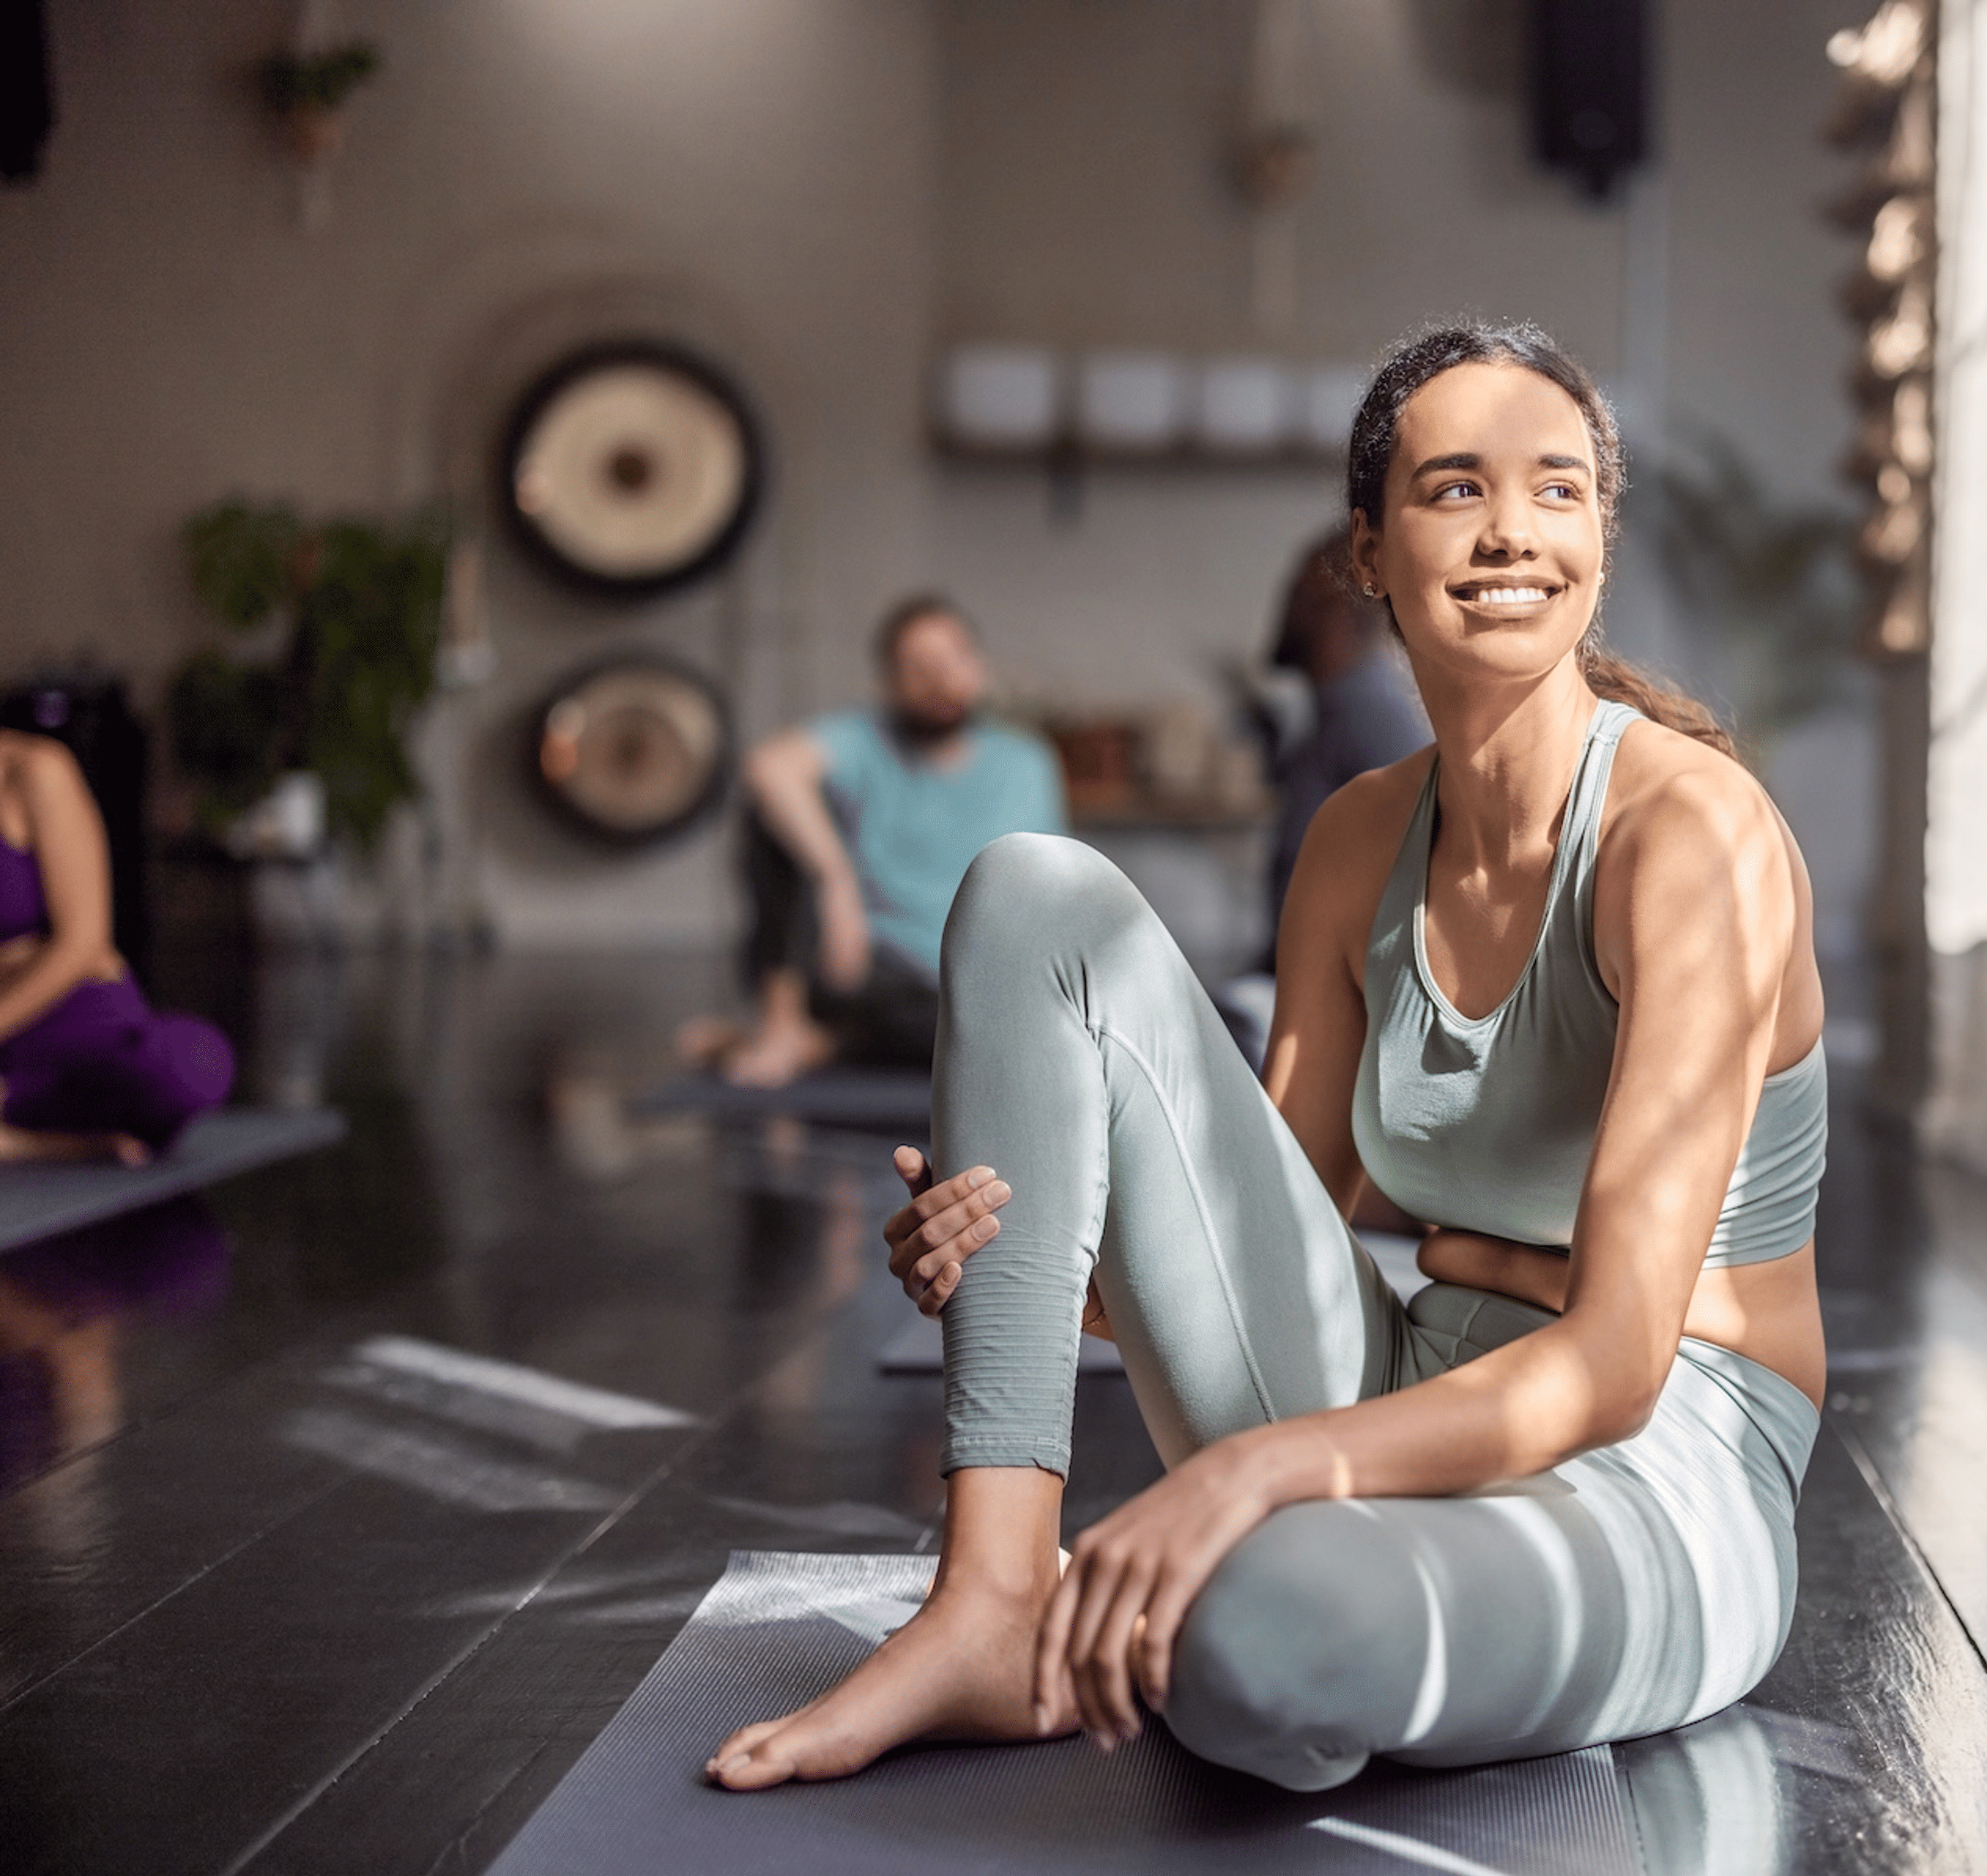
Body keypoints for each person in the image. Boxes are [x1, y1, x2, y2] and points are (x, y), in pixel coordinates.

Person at [705, 321, 1828, 1794]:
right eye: (1453, 491)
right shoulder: (1360, 839)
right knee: (1036, 887)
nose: (1512, 532)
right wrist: (1018, 1270)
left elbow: (1617, 1364)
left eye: (1560, 492)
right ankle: (988, 1600)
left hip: (1661, 1454)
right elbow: (1252, 1241)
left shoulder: (1690, 836)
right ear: (1366, 552)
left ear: (1601, 541)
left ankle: (1262, 1606)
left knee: (1251, 1631)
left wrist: (1254, 1474)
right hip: (1410, 1372)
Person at [686, 596, 1067, 1087]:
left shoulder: (1027, 763)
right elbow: (768, 769)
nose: (938, 681)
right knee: (771, 819)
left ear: (979, 667)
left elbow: (1049, 897)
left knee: (988, 1034)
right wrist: (835, 879)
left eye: (951, 661)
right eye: (917, 667)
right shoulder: (865, 740)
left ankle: (819, 1043)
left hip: (960, 988)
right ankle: (783, 1024)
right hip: (859, 964)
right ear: (888, 682)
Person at [0, 731, 234, 1166]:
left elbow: (84, 941)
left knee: (195, 1062)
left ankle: (21, 1124)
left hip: (63, 1017)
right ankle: (47, 1143)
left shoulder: (35, 770)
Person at [1258, 526, 1430, 955]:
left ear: (1336, 611)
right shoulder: (1332, 722)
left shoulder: (1377, 727)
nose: (1284, 607)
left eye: (1300, 592)